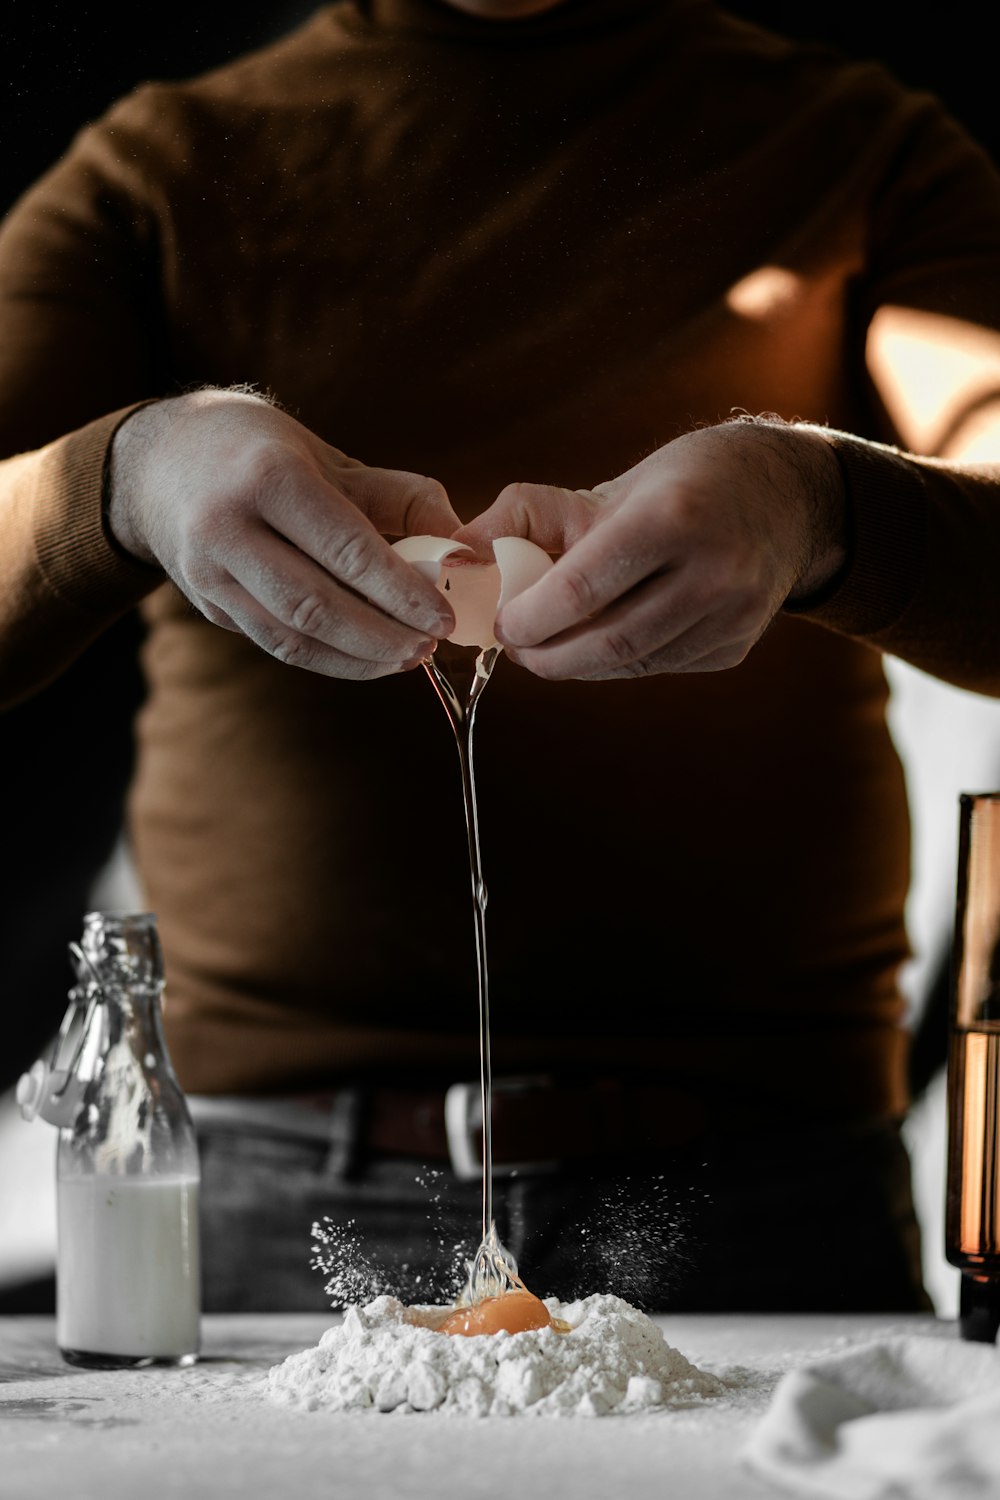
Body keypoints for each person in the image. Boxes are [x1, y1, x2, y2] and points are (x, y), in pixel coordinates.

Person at [2, 0, 999, 1313]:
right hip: (260, 1194)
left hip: (764, 1186)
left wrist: (821, 507)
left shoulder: (861, 147)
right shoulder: (157, 173)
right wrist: (121, 477)